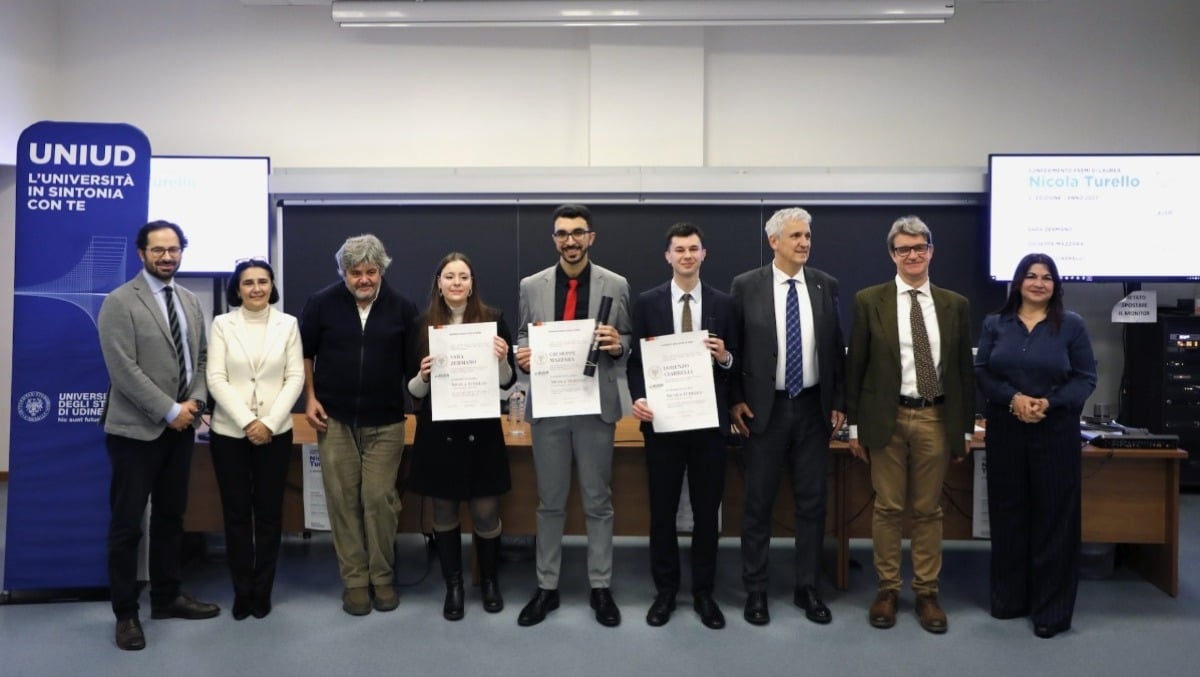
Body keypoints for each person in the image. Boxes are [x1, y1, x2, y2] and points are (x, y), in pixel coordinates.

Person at [844, 216, 975, 634]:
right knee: (887, 508)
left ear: (931, 251)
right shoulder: (869, 300)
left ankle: (926, 592)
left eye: (919, 247)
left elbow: (962, 372)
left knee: (928, 509)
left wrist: (965, 430)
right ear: (892, 255)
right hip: (887, 417)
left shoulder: (955, 304)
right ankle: (887, 589)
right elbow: (856, 368)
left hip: (936, 416)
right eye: (904, 249)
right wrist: (853, 427)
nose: (912, 255)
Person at [97, 220, 220, 651]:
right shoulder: (119, 302)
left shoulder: (187, 300)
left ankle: (167, 598)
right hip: (136, 431)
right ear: (141, 253)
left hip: (181, 427)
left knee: (171, 517)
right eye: (158, 250)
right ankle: (126, 613)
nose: (167, 257)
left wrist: (195, 405)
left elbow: (202, 358)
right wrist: (169, 410)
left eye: (174, 249)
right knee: (127, 524)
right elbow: (122, 369)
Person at [514, 203, 631, 628]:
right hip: (549, 405)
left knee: (599, 501)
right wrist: (522, 354)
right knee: (549, 503)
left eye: (578, 233)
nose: (570, 240)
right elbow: (525, 333)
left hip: (595, 406)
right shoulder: (532, 285)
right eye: (562, 233)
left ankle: (601, 587)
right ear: (554, 239)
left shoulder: (615, 285)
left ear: (591, 238)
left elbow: (629, 339)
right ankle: (547, 587)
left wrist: (618, 344)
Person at [729, 206, 845, 627]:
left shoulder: (824, 284)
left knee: (813, 503)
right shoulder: (746, 286)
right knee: (758, 503)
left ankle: (807, 587)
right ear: (773, 241)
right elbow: (734, 348)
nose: (804, 243)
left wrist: (840, 400)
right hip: (766, 410)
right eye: (795, 236)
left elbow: (835, 350)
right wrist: (735, 399)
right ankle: (755, 590)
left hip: (813, 407)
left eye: (808, 236)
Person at [974, 253, 1096, 639]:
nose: (1039, 283)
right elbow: (983, 371)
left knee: (1054, 521)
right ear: (1018, 282)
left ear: (1056, 285)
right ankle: (1009, 600)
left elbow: (1085, 378)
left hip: (1054, 431)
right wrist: (1013, 399)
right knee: (1009, 515)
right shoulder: (996, 324)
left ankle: (1051, 612)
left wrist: (1049, 402)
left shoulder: (1071, 326)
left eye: (1046, 277)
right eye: (1031, 276)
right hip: (1006, 430)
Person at [299, 234, 420, 616]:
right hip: (333, 420)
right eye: (355, 273)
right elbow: (305, 353)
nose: (364, 280)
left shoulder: (403, 308)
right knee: (343, 501)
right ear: (344, 273)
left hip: (385, 422)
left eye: (371, 272)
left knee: (379, 500)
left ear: (381, 270)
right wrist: (310, 398)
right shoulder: (321, 304)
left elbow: (413, 369)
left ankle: (381, 578)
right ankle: (354, 581)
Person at [627, 222, 737, 630]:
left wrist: (725, 357)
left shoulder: (724, 304)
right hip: (664, 424)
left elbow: (736, 365)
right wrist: (638, 397)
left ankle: (704, 593)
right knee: (663, 512)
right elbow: (636, 361)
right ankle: (666, 591)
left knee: (708, 513)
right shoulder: (647, 302)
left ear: (704, 254)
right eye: (679, 249)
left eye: (694, 249)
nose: (687, 255)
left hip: (709, 426)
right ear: (668, 256)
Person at [407, 252, 517, 621]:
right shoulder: (422, 324)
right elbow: (413, 393)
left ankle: (488, 582)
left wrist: (502, 358)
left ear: (472, 283)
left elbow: (507, 383)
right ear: (438, 282)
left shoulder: (493, 319)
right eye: (449, 276)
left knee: (486, 510)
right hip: (439, 432)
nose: (457, 283)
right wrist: (422, 376)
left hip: (481, 429)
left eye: (464, 276)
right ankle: (453, 586)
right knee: (444, 509)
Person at [206, 258, 304, 620]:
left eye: (263, 281)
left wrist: (269, 422)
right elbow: (215, 378)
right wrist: (249, 422)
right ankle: (241, 590)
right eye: (248, 283)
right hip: (229, 433)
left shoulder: (288, 324)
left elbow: (294, 378)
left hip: (275, 433)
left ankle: (262, 591)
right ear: (237, 288)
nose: (256, 288)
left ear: (272, 285)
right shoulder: (221, 324)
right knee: (236, 515)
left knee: (268, 514)